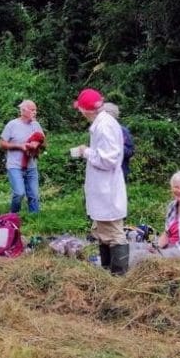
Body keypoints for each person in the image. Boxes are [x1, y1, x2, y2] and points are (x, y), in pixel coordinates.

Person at [72, 88, 129, 274]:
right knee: (103, 232)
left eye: (80, 110)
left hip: (108, 188)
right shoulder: (101, 123)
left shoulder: (104, 126)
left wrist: (85, 152)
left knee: (113, 233)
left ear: (86, 110)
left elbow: (108, 159)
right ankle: (107, 270)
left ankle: (119, 275)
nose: (80, 113)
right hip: (102, 187)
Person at [0, 100, 45, 214]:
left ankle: (34, 220)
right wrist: (20, 146)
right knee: (19, 193)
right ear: (23, 110)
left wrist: (37, 144)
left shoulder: (36, 125)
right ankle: (14, 215)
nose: (35, 112)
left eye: (36, 110)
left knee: (34, 195)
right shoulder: (12, 125)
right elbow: (1, 144)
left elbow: (44, 143)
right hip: (15, 165)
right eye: (32, 110)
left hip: (31, 165)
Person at [101, 102, 135, 179]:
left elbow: (130, 152)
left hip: (119, 172)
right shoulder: (99, 130)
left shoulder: (122, 131)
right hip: (102, 173)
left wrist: (116, 145)